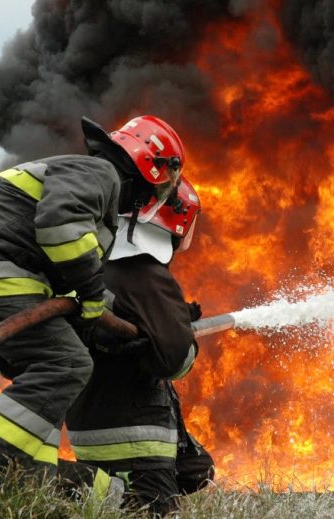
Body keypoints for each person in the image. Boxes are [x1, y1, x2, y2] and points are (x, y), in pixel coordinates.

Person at [0, 114, 186, 517]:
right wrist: (95, 300)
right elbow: (61, 230)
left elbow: (64, 276)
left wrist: (105, 319)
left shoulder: (86, 179)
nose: (157, 196)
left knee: (42, 381)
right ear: (150, 167)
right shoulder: (100, 173)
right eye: (164, 184)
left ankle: (22, 485)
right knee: (65, 364)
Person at [62, 177, 214, 515]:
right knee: (152, 510)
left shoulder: (97, 266)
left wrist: (171, 320)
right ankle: (97, 490)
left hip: (90, 425)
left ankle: (103, 491)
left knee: (197, 470)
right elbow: (176, 360)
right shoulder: (145, 271)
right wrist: (180, 335)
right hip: (134, 433)